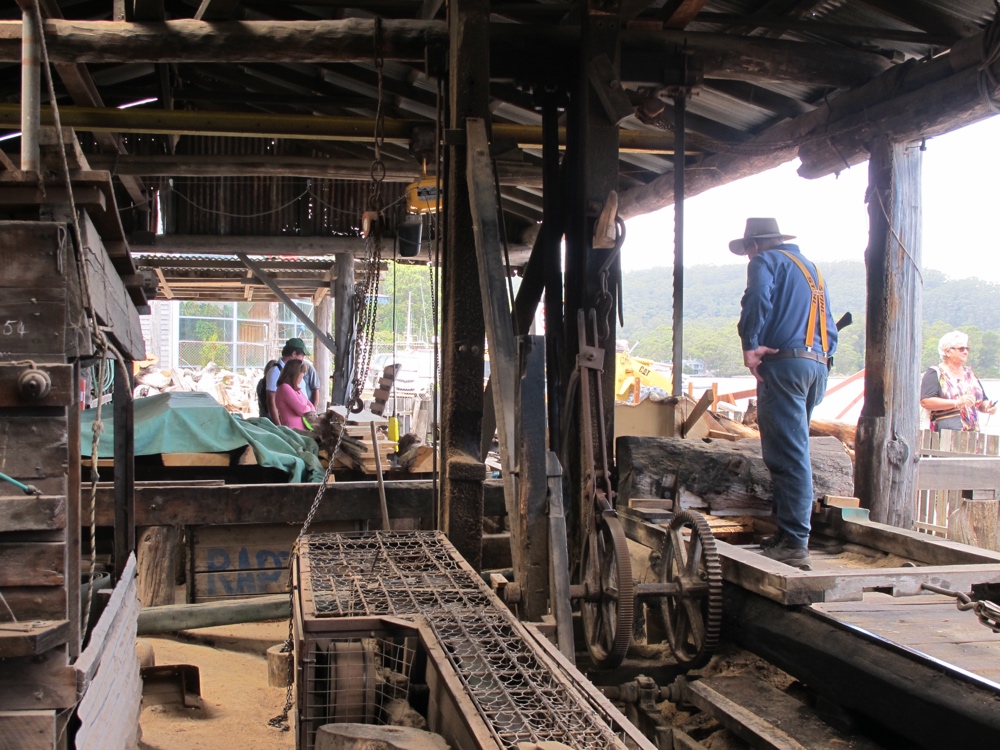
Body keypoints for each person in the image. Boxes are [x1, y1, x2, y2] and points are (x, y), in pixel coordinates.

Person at [733, 218, 838, 569]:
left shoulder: (766, 261)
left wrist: (750, 345)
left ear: (754, 246)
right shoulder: (811, 270)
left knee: (787, 455)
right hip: (817, 366)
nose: (749, 258)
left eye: (747, 251)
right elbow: (831, 328)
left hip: (785, 366)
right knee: (794, 448)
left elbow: (757, 298)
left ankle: (794, 542)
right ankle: (785, 533)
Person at [920, 330, 996, 432]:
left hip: (971, 437)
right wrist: (957, 402)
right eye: (961, 349)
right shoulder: (935, 373)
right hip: (944, 436)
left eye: (967, 349)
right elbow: (926, 401)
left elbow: (981, 402)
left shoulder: (970, 374)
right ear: (947, 351)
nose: (965, 352)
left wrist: (988, 407)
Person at [264, 337, 308, 425]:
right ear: (294, 354)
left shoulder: (295, 370)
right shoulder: (276, 371)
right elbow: (271, 400)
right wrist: (279, 426)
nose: (302, 359)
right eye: (302, 356)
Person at [273, 359, 316, 431]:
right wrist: (307, 408)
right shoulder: (284, 388)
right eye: (302, 372)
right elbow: (302, 410)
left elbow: (312, 407)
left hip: (304, 432)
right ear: (296, 373)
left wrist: (307, 408)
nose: (303, 376)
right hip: (293, 433)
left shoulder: (296, 390)